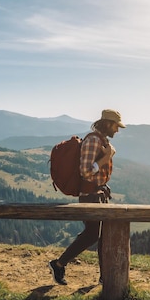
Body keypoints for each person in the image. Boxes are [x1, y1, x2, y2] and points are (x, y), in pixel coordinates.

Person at [49, 109, 126, 285]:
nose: (117, 130)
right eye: (116, 126)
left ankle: (104, 275)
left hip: (97, 194)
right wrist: (106, 157)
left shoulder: (101, 140)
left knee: (101, 234)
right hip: (90, 195)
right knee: (92, 235)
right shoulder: (92, 141)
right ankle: (58, 264)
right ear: (107, 123)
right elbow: (85, 172)